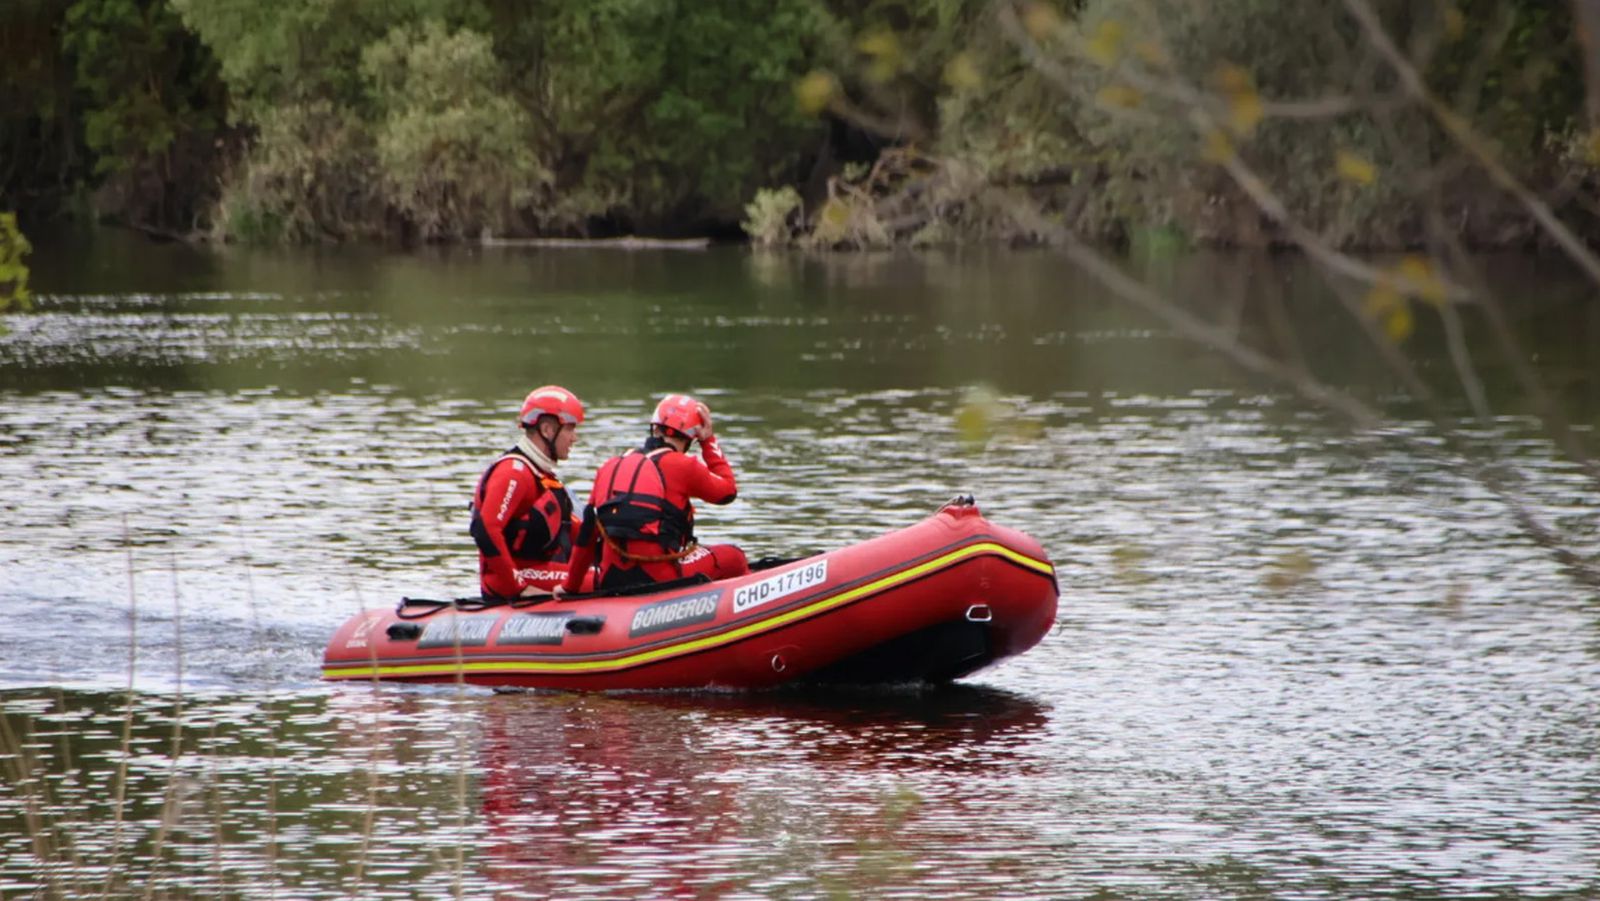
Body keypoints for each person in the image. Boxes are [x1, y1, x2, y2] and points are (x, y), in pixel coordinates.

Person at [559, 394, 748, 594]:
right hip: (661, 578)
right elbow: (727, 492)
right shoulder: (684, 465)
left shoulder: (609, 466)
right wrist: (708, 441)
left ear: (654, 428)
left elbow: (587, 535)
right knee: (734, 556)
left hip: (610, 578)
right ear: (690, 438)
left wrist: (569, 587)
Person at [470, 385, 584, 599]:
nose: (574, 438)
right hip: (513, 579)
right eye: (570, 429)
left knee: (601, 573)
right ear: (547, 430)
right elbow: (485, 528)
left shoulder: (540, 473)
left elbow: (572, 529)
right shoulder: (514, 472)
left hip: (539, 570)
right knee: (596, 578)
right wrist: (518, 588)